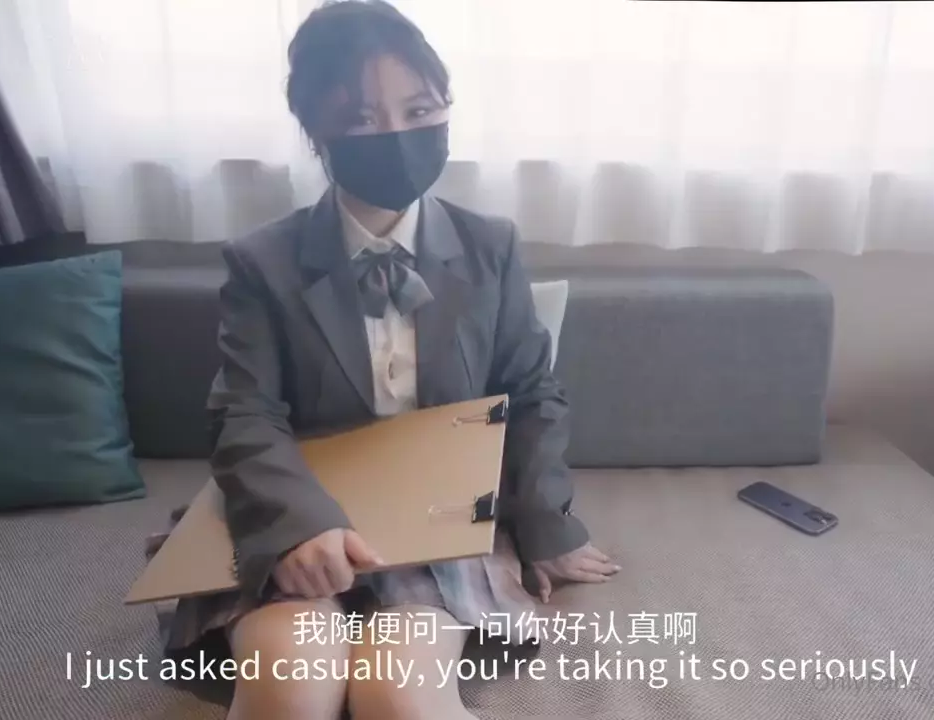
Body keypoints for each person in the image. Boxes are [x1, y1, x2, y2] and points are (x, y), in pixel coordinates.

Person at [164, 2, 620, 718]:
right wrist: (299, 524)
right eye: (361, 119)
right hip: (294, 514)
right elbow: (244, 413)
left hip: (436, 523)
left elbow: (531, 392)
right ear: (316, 130)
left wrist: (545, 524)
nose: (397, 135)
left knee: (397, 694)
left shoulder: (490, 247)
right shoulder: (262, 262)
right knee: (289, 685)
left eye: (419, 109)